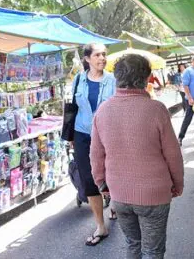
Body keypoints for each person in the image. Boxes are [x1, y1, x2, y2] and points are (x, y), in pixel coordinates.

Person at [90, 54, 184, 259]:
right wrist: (178, 183)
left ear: (116, 77)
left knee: (133, 244)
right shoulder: (157, 109)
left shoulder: (102, 111)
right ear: (147, 77)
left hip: (119, 194)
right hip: (154, 194)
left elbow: (96, 155)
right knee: (153, 250)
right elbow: (172, 153)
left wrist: (101, 184)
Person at [70, 43, 116, 246]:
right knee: (89, 178)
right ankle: (100, 226)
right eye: (98, 55)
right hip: (82, 134)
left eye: (104, 55)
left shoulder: (113, 81)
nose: (102, 58)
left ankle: (114, 202)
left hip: (108, 135)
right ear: (87, 59)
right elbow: (72, 107)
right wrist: (71, 135)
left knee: (111, 173)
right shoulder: (78, 80)